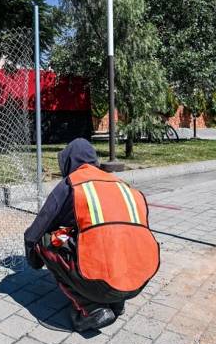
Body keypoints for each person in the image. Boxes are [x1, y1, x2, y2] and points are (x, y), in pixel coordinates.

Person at [24, 138, 160, 331]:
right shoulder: (121, 183)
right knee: (101, 234)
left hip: (101, 283)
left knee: (46, 241)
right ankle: (117, 300)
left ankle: (91, 308)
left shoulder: (72, 184)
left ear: (69, 162)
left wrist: (33, 258)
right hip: (139, 279)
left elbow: (37, 230)